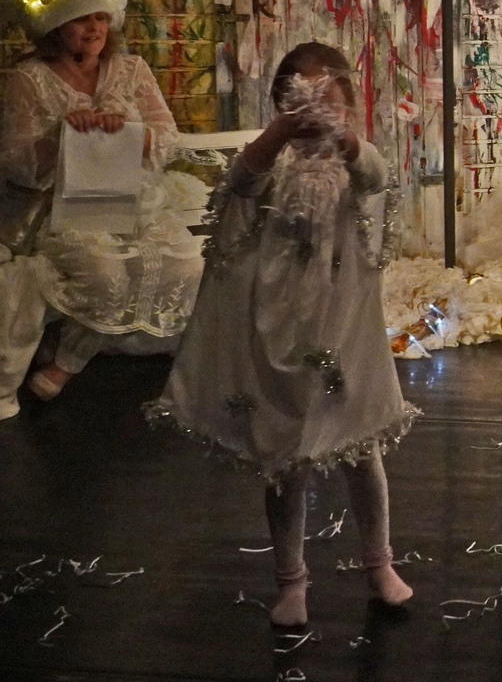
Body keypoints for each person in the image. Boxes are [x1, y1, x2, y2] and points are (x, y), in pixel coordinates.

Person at [147, 43, 415, 627]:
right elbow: (241, 182)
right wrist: (278, 134)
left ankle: (379, 562)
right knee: (284, 458)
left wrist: (341, 137)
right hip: (282, 328)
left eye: (329, 101)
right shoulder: (274, 164)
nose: (315, 115)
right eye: (301, 101)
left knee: (362, 449)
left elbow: (376, 175)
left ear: (348, 106)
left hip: (344, 330)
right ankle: (291, 578)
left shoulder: (354, 163)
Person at [0, 0, 199, 405]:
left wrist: (129, 131)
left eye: (100, 18)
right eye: (80, 18)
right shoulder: (28, 79)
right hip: (65, 207)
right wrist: (63, 135)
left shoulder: (131, 69)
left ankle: (67, 359)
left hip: (136, 200)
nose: (93, 29)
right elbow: (15, 161)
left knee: (184, 267)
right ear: (55, 23)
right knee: (104, 273)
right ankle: (66, 365)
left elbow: (167, 136)